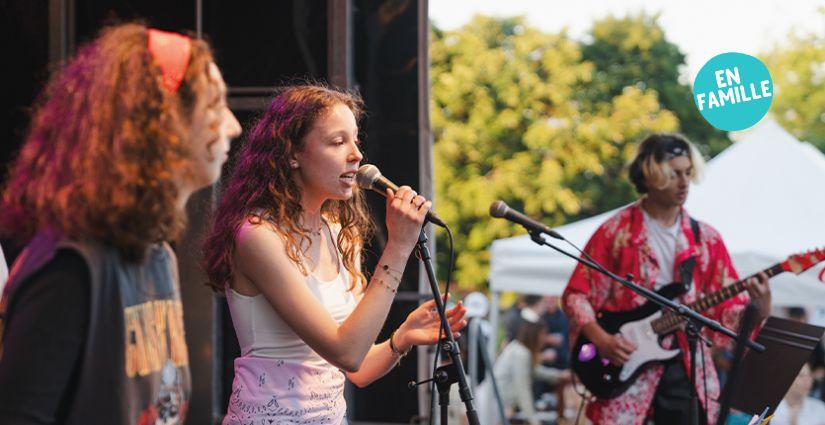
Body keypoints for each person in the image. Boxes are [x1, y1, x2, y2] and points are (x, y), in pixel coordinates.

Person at [0, 23, 241, 424]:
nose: (233, 125)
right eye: (215, 106)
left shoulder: (157, 254)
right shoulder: (71, 267)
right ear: (165, 125)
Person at [202, 84, 467, 424]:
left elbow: (355, 369)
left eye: (355, 140)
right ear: (292, 153)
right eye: (338, 142)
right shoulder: (257, 236)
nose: (356, 154)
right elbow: (347, 352)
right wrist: (399, 247)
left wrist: (401, 338)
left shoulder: (342, 234)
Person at [561, 133, 771, 425]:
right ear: (649, 177)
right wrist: (603, 340)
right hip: (625, 367)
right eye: (674, 175)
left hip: (686, 369)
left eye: (687, 173)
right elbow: (576, 294)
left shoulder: (706, 240)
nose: (684, 182)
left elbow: (727, 313)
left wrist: (759, 308)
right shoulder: (616, 233)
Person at [477, 315, 570, 425]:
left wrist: (559, 375)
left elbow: (535, 371)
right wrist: (534, 421)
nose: (544, 339)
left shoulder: (519, 349)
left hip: (496, 402)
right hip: (494, 404)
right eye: (543, 334)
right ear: (535, 335)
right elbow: (523, 390)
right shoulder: (521, 354)